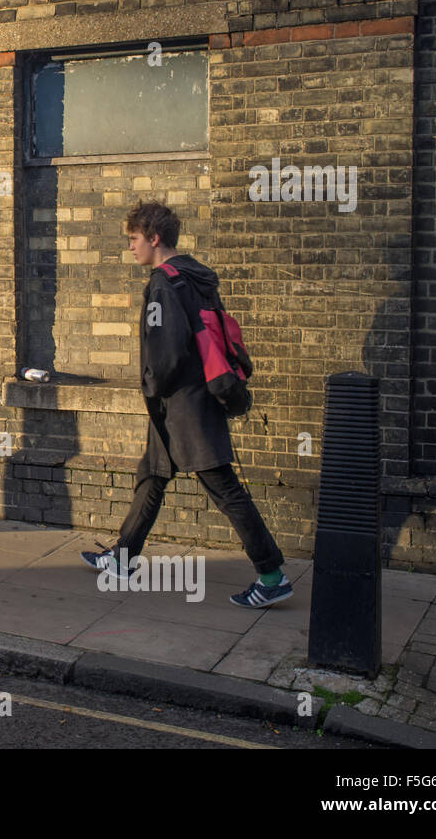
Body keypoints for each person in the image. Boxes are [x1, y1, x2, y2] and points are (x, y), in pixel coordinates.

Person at [82, 201, 293, 608]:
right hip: (197, 395)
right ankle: (123, 558)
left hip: (183, 403)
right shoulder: (195, 276)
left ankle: (272, 575)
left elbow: (167, 351)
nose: (130, 247)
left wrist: (152, 385)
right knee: (153, 473)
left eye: (134, 239)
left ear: (154, 238)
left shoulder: (164, 282)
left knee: (225, 489)